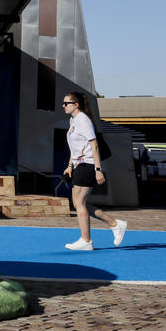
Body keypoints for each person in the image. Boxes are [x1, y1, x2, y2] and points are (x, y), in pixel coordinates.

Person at [61, 91, 127, 250]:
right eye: (63, 103)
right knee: (78, 203)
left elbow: (94, 145)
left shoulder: (83, 120)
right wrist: (70, 165)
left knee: (80, 203)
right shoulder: (73, 120)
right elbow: (75, 147)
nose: (63, 106)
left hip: (88, 165)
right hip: (79, 165)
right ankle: (115, 224)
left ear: (76, 105)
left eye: (66, 103)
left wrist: (98, 169)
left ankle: (86, 240)